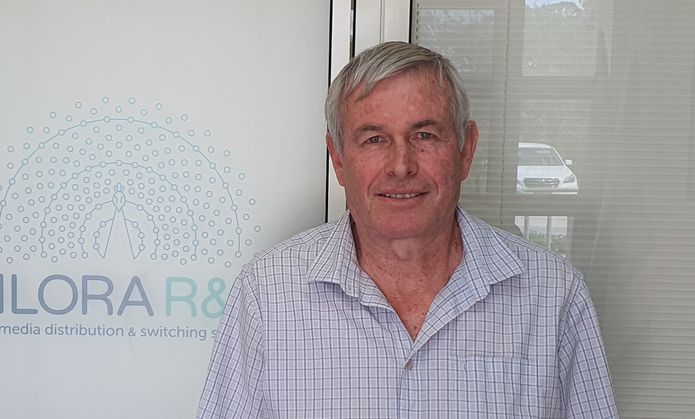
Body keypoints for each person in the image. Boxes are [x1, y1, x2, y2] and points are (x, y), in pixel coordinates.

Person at [197, 41, 617, 418]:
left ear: (466, 149)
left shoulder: (553, 295)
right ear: (338, 160)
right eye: (374, 139)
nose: (401, 166)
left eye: (425, 135)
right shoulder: (267, 293)